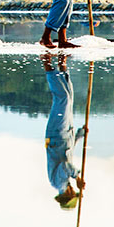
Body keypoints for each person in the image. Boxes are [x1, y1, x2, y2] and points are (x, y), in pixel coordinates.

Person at [41, 52, 85, 210]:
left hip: (57, 135)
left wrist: (77, 176)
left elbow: (65, 166)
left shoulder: (59, 182)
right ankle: (62, 62)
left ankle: (47, 63)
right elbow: (68, 152)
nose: (74, 190)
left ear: (68, 195)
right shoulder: (64, 182)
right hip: (66, 134)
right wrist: (80, 135)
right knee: (69, 96)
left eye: (73, 193)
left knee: (62, 99)